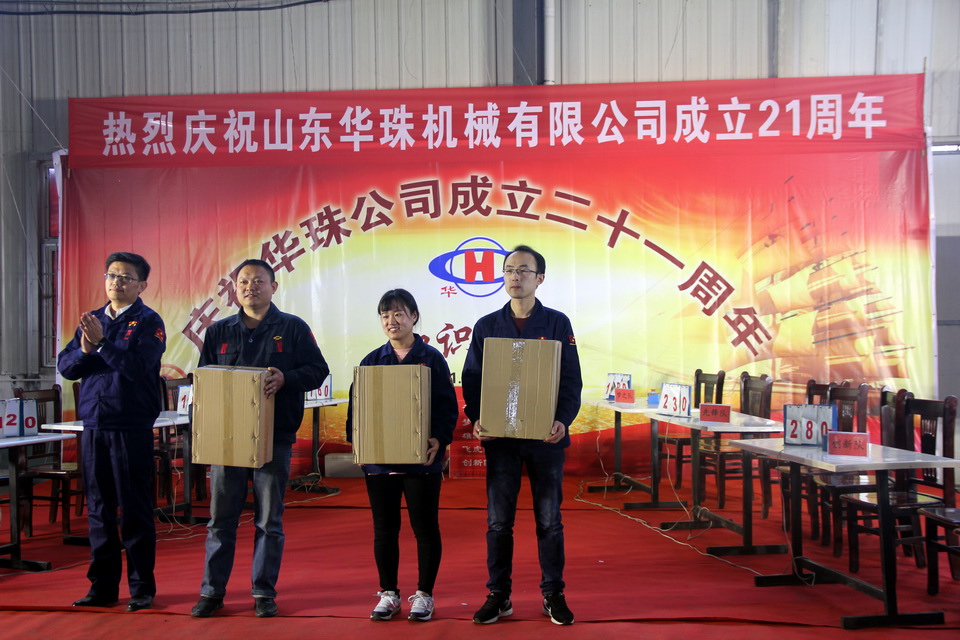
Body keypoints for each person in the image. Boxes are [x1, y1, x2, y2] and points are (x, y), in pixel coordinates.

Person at [190, 259, 329, 619]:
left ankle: (263, 592)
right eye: (244, 282)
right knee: (221, 520)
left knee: (269, 520)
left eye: (258, 281)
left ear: (273, 287)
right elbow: (205, 380)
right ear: (235, 289)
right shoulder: (218, 331)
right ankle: (211, 592)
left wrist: (286, 379)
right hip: (227, 439)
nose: (250, 287)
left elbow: (318, 370)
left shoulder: (293, 328)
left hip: (274, 437)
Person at [461, 245, 582, 626]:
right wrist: (477, 418)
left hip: (546, 439)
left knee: (549, 521)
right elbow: (473, 378)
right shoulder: (487, 326)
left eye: (524, 270)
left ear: (539, 278)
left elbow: (571, 379)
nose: (515, 277)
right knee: (499, 522)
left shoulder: (557, 324)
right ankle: (498, 595)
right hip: (503, 441)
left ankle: (553, 593)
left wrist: (563, 419)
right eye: (509, 270)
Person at [57, 252, 166, 612]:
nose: (116, 283)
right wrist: (86, 347)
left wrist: (102, 345)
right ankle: (102, 587)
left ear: (141, 285)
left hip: (130, 425)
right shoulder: (93, 320)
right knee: (99, 509)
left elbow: (136, 367)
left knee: (134, 508)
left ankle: (141, 588)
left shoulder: (149, 321)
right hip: (94, 424)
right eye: (111, 275)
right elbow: (67, 367)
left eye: (125, 277)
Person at [345, 289, 458, 622]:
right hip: (380, 463)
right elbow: (356, 409)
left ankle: (424, 594)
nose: (391, 321)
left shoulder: (431, 359)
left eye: (398, 314)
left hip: (422, 460)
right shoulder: (372, 361)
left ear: (413, 317)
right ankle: (389, 593)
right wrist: (358, 443)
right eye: (385, 315)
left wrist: (440, 439)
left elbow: (446, 407)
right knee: (384, 530)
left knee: (425, 529)